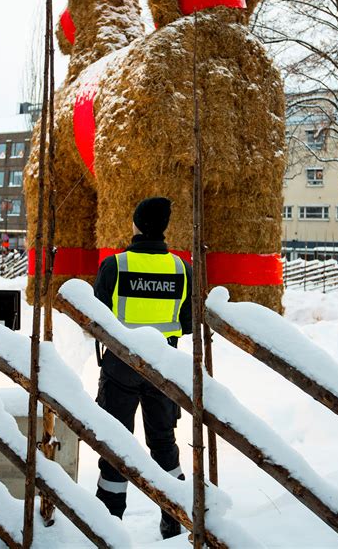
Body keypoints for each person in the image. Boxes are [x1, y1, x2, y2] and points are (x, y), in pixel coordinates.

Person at [93, 196, 192, 539]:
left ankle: (108, 521)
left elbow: (96, 318)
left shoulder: (115, 265)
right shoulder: (181, 269)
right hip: (164, 368)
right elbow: (188, 323)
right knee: (164, 441)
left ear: (136, 224)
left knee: (116, 442)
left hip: (120, 366)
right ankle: (174, 518)